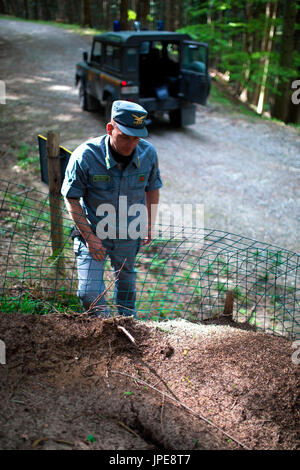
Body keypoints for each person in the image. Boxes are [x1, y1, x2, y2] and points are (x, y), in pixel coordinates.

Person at [61, 100, 162, 317]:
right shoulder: (86, 156)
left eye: (136, 138)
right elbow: (71, 199)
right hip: (93, 232)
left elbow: (152, 189)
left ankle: (129, 326)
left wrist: (148, 225)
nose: (131, 144)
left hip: (128, 233)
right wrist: (90, 238)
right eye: (124, 136)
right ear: (110, 128)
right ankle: (107, 328)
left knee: (126, 289)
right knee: (89, 294)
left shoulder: (148, 154)